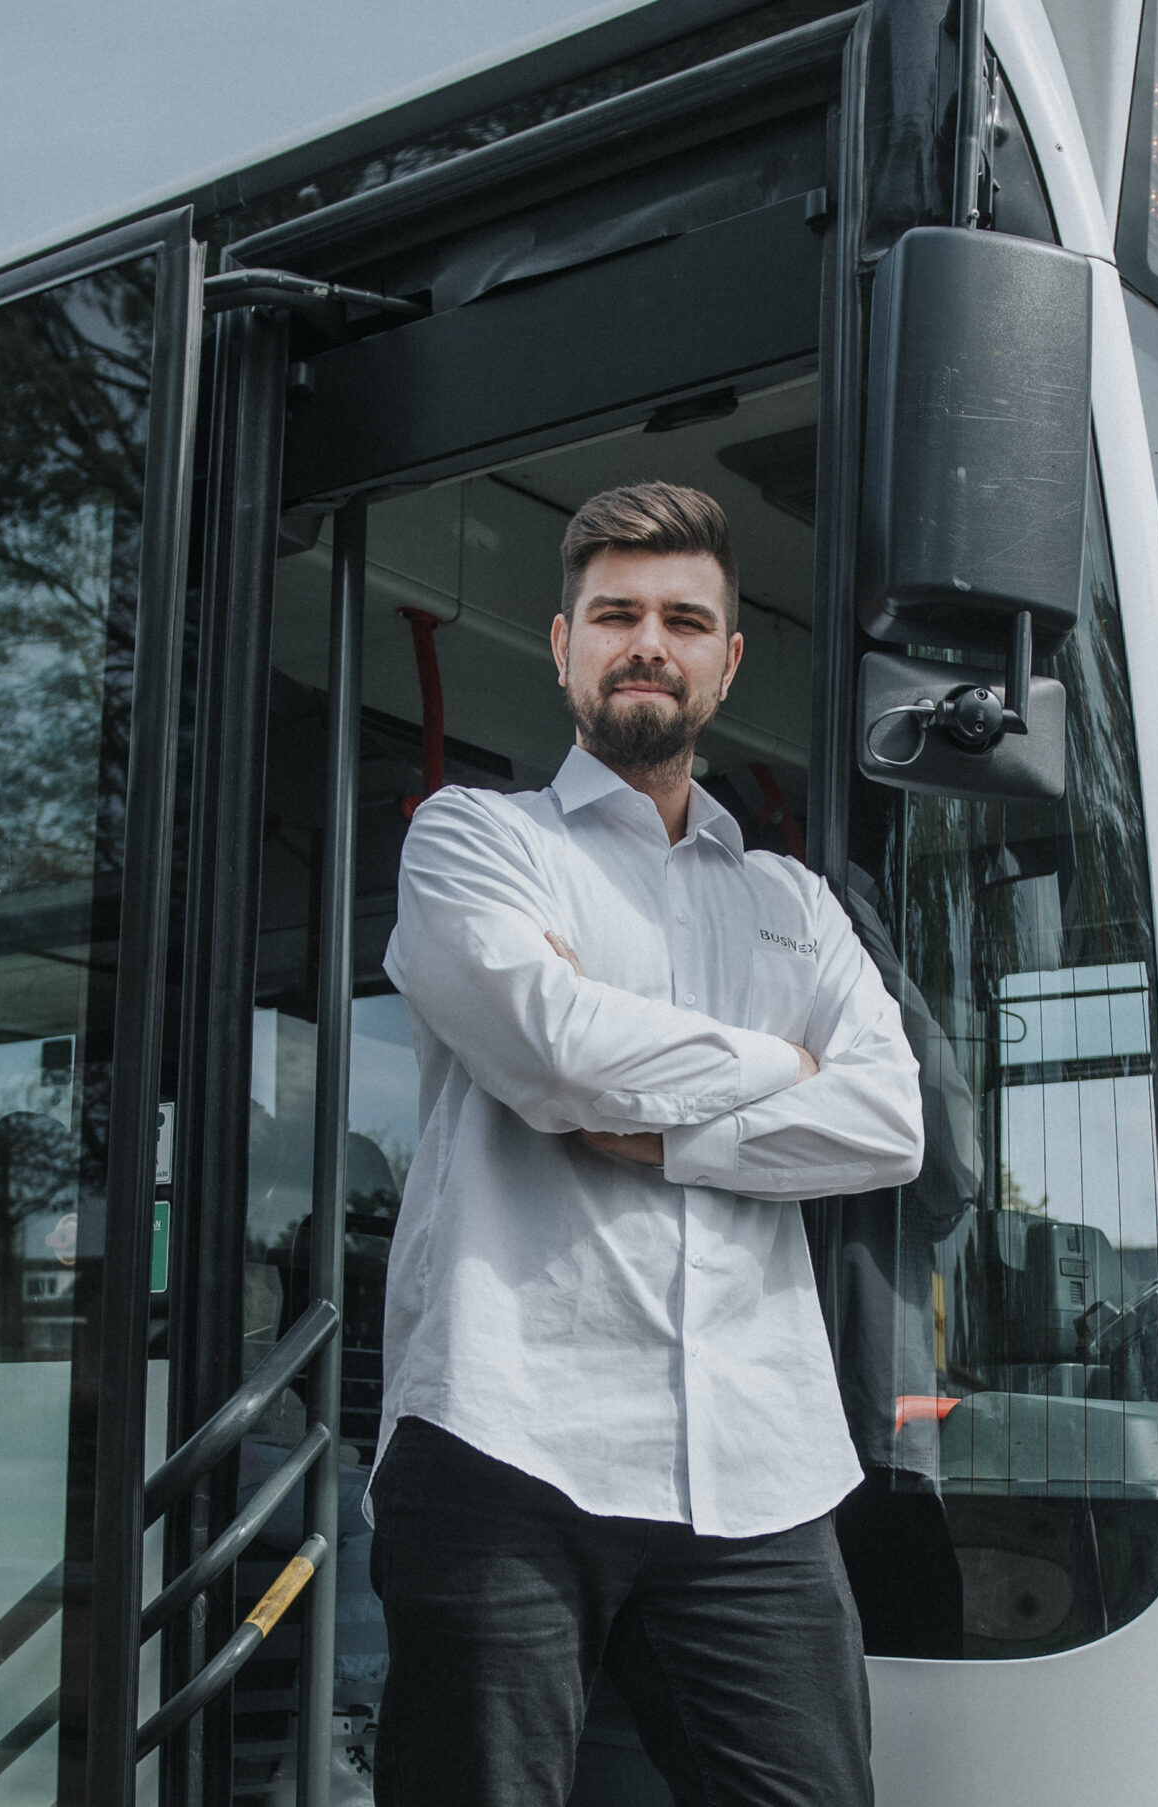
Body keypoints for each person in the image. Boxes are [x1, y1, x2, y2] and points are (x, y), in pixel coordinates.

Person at [370, 479, 925, 1807]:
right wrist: (783, 1069)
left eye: (684, 619)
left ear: (725, 664)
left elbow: (889, 1120)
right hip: (507, 1438)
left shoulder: (790, 900)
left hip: (760, 1465)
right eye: (613, 613)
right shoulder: (473, 841)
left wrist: (668, 1136)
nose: (647, 643)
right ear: (561, 646)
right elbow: (554, 1050)